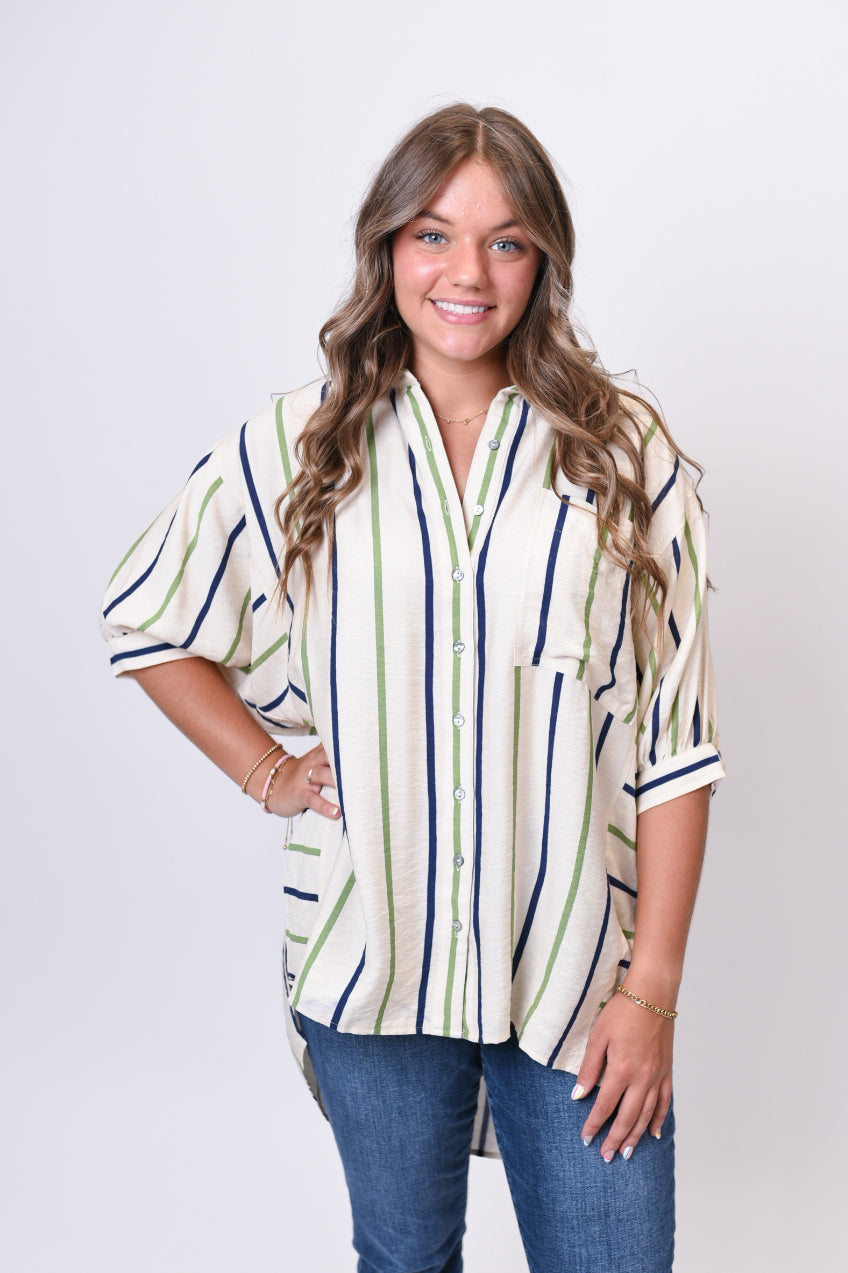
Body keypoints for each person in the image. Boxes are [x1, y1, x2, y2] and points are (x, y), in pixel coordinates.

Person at [101, 103, 724, 1273]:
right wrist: (267, 771)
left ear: (542, 261)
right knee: (401, 1262)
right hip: (368, 959)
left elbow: (674, 744)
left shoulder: (622, 452)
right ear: (386, 245)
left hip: (575, 969)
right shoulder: (303, 442)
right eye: (432, 234)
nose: (466, 272)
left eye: (504, 240)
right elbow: (147, 617)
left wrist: (650, 993)